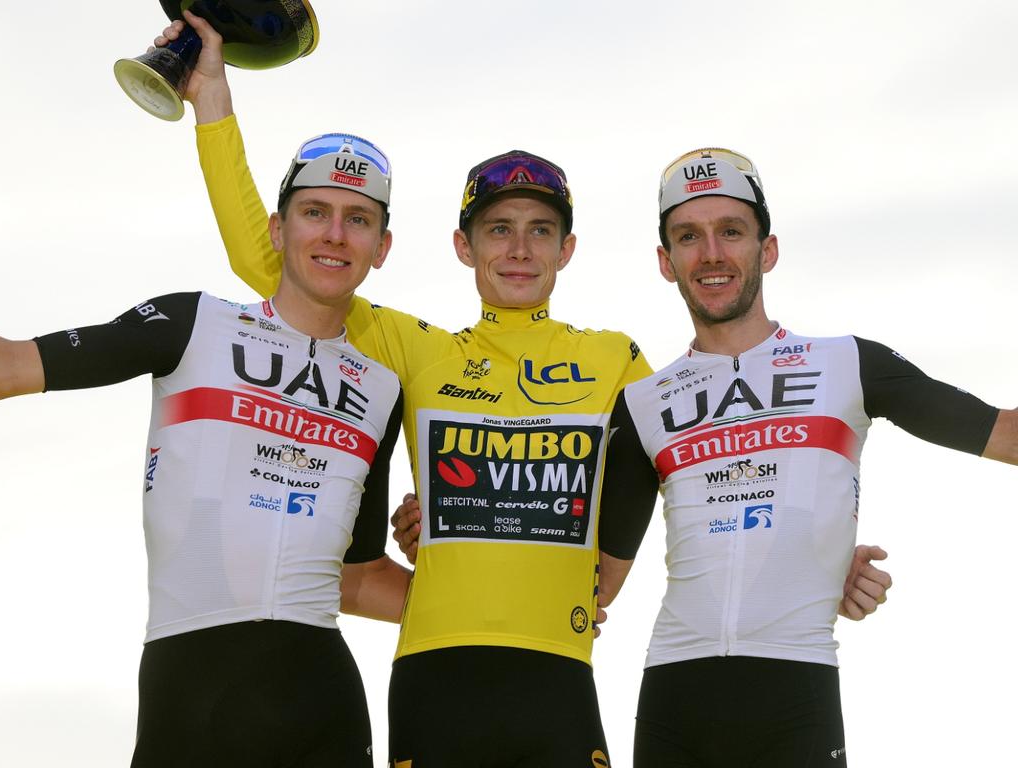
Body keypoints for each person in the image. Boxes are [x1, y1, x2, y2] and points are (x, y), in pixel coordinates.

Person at [160, 13, 892, 765]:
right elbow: (271, 263)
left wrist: (815, 564)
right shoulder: (418, 351)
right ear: (462, 245)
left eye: (540, 229)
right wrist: (212, 99)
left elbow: (718, 468)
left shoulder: (615, 361)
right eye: (498, 227)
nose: (518, 247)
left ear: (567, 248)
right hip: (432, 682)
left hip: (559, 682)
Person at [0, 128, 410, 767]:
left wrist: (509, 599)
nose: (334, 234)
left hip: (323, 704)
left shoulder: (383, 389)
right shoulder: (193, 323)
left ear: (380, 248)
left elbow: (356, 581)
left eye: (358, 219)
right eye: (314, 212)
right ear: (277, 229)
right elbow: (9, 366)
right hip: (191, 693)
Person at [601, 147, 1017, 767]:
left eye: (731, 232)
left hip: (796, 691)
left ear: (767, 250)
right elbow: (590, 585)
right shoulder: (641, 401)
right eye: (689, 236)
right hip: (672, 695)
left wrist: (816, 548)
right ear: (667, 262)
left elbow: (1005, 435)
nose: (711, 253)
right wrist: (447, 530)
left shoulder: (847, 361)